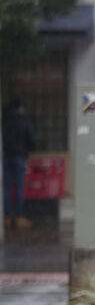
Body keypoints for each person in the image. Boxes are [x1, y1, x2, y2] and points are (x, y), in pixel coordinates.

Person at [3, 98, 36, 229]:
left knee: (5, 188)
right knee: (18, 188)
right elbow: (32, 139)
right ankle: (19, 216)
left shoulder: (4, 120)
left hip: (5, 157)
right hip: (19, 157)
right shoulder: (24, 120)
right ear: (20, 107)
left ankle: (5, 217)